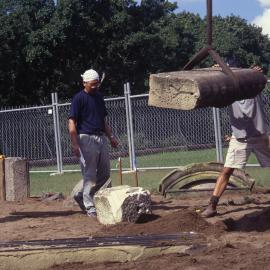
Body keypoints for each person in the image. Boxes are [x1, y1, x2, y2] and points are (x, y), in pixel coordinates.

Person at [201, 65, 270, 218]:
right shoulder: (229, 94)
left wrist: (255, 72)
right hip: (239, 139)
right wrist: (214, 71)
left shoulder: (254, 90)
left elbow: (260, 77)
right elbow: (215, 86)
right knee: (226, 171)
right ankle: (212, 206)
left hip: (260, 137)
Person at [68, 69, 118, 217]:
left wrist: (111, 137)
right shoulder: (79, 98)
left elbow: (103, 121)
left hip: (100, 138)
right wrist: (75, 143)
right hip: (85, 138)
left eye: (97, 84)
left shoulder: (99, 98)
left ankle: (84, 197)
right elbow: (72, 122)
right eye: (92, 84)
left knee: (105, 174)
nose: (95, 86)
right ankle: (89, 207)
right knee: (90, 175)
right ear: (85, 83)